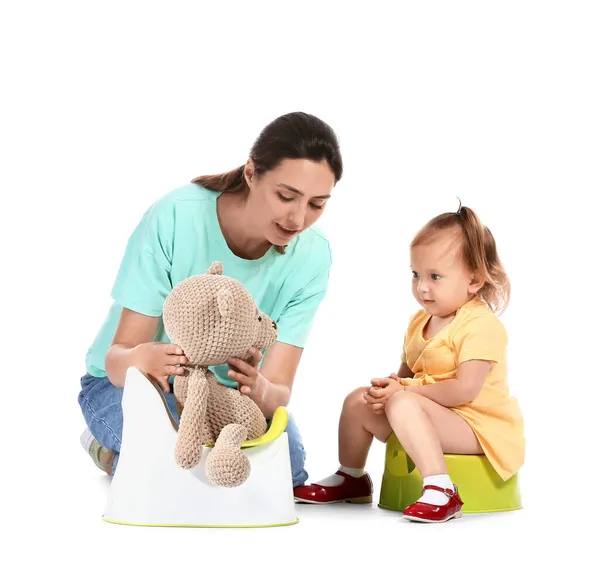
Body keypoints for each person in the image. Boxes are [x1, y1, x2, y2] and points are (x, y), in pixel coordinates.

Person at [78, 111, 343, 489]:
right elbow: (117, 359)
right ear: (251, 173)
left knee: (287, 474)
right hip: (128, 384)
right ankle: (106, 448)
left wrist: (260, 388)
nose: (298, 218)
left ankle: (132, 456)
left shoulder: (313, 257)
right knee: (173, 470)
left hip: (227, 398)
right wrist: (141, 359)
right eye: (286, 196)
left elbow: (278, 391)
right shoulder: (175, 216)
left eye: (317, 204)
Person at [294, 204, 525, 522]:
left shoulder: (480, 325)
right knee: (358, 400)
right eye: (416, 275)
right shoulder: (421, 321)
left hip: (478, 426)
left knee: (402, 403)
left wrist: (403, 392)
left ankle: (442, 489)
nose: (422, 286)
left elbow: (464, 390)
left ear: (473, 281)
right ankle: (352, 477)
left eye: (435, 277)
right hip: (430, 414)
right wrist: (387, 389)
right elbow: (406, 376)